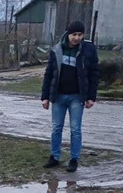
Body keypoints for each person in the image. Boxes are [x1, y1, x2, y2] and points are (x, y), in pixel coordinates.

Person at [41, 20, 99, 173]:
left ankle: (74, 159)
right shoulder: (57, 50)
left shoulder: (88, 50)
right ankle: (54, 157)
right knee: (56, 128)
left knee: (75, 129)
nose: (77, 38)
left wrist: (91, 97)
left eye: (80, 35)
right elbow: (49, 74)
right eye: (74, 34)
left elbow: (94, 75)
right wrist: (45, 97)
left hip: (77, 97)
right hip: (58, 96)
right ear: (68, 34)